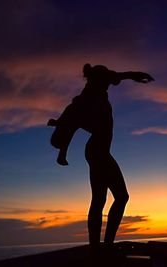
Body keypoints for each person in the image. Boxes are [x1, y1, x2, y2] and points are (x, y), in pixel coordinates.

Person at [48, 63, 154, 248]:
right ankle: (102, 246)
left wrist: (137, 75)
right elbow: (72, 124)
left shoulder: (99, 88)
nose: (108, 84)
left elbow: (121, 74)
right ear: (97, 81)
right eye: (105, 81)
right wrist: (62, 151)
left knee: (102, 199)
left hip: (99, 151)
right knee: (120, 197)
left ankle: (99, 247)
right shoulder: (85, 99)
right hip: (97, 151)